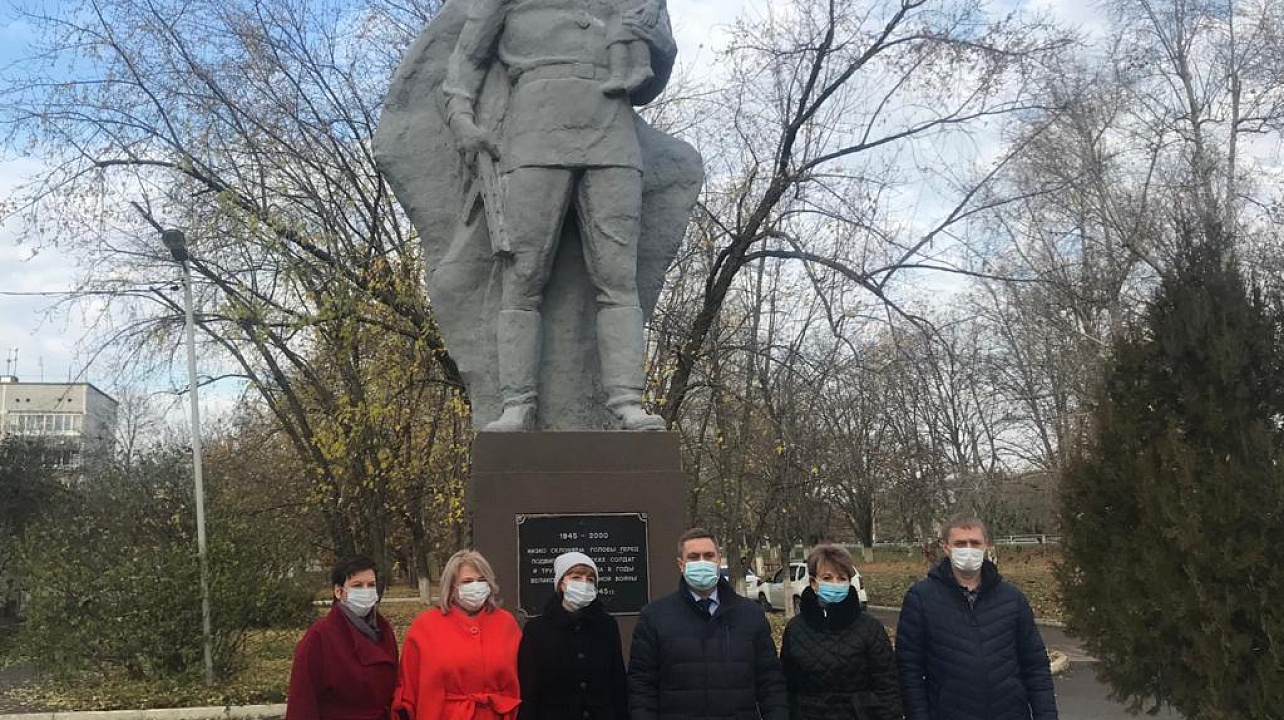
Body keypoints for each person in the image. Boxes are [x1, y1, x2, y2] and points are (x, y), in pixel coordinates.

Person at [443, 0, 675, 431]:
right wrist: (461, 121)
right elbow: (468, 58)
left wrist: (654, 35)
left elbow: (651, 81)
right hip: (535, 128)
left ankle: (627, 403)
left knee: (618, 279)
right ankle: (516, 405)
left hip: (611, 130)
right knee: (523, 276)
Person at [896, 516, 1059, 720]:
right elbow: (909, 670)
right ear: (945, 547)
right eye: (960, 543)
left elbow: (1035, 666)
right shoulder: (921, 598)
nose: (968, 549)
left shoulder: (1012, 598)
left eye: (975, 543)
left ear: (986, 546)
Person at [628, 528, 788, 720]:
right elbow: (642, 686)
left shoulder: (750, 614)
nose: (702, 562)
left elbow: (770, 682)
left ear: (719, 561)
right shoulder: (654, 617)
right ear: (681, 564)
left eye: (709, 555)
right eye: (694, 557)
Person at [395, 550, 522, 720]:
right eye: (467, 581)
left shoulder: (506, 624)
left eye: (481, 580)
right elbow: (408, 686)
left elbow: (523, 679)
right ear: (452, 587)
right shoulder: (425, 626)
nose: (476, 586)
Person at [780, 544, 902, 720]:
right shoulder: (795, 630)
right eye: (827, 578)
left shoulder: (870, 628)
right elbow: (786, 685)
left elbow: (888, 686)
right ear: (814, 583)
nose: (835, 584)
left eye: (841, 578)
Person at [518, 551, 628, 720]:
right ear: (561, 584)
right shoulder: (537, 630)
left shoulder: (607, 626)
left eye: (590, 579)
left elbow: (618, 683)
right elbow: (530, 692)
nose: (584, 583)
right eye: (576, 577)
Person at [286, 556, 398, 720]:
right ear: (339, 591)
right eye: (357, 586)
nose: (366, 591)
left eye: (371, 585)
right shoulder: (320, 636)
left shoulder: (384, 630)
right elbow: (303, 700)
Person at [603, 0, 665, 96]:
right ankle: (618, 76)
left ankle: (641, 66)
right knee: (615, 36)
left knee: (634, 28)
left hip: (637, 7)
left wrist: (653, 4)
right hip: (617, 11)